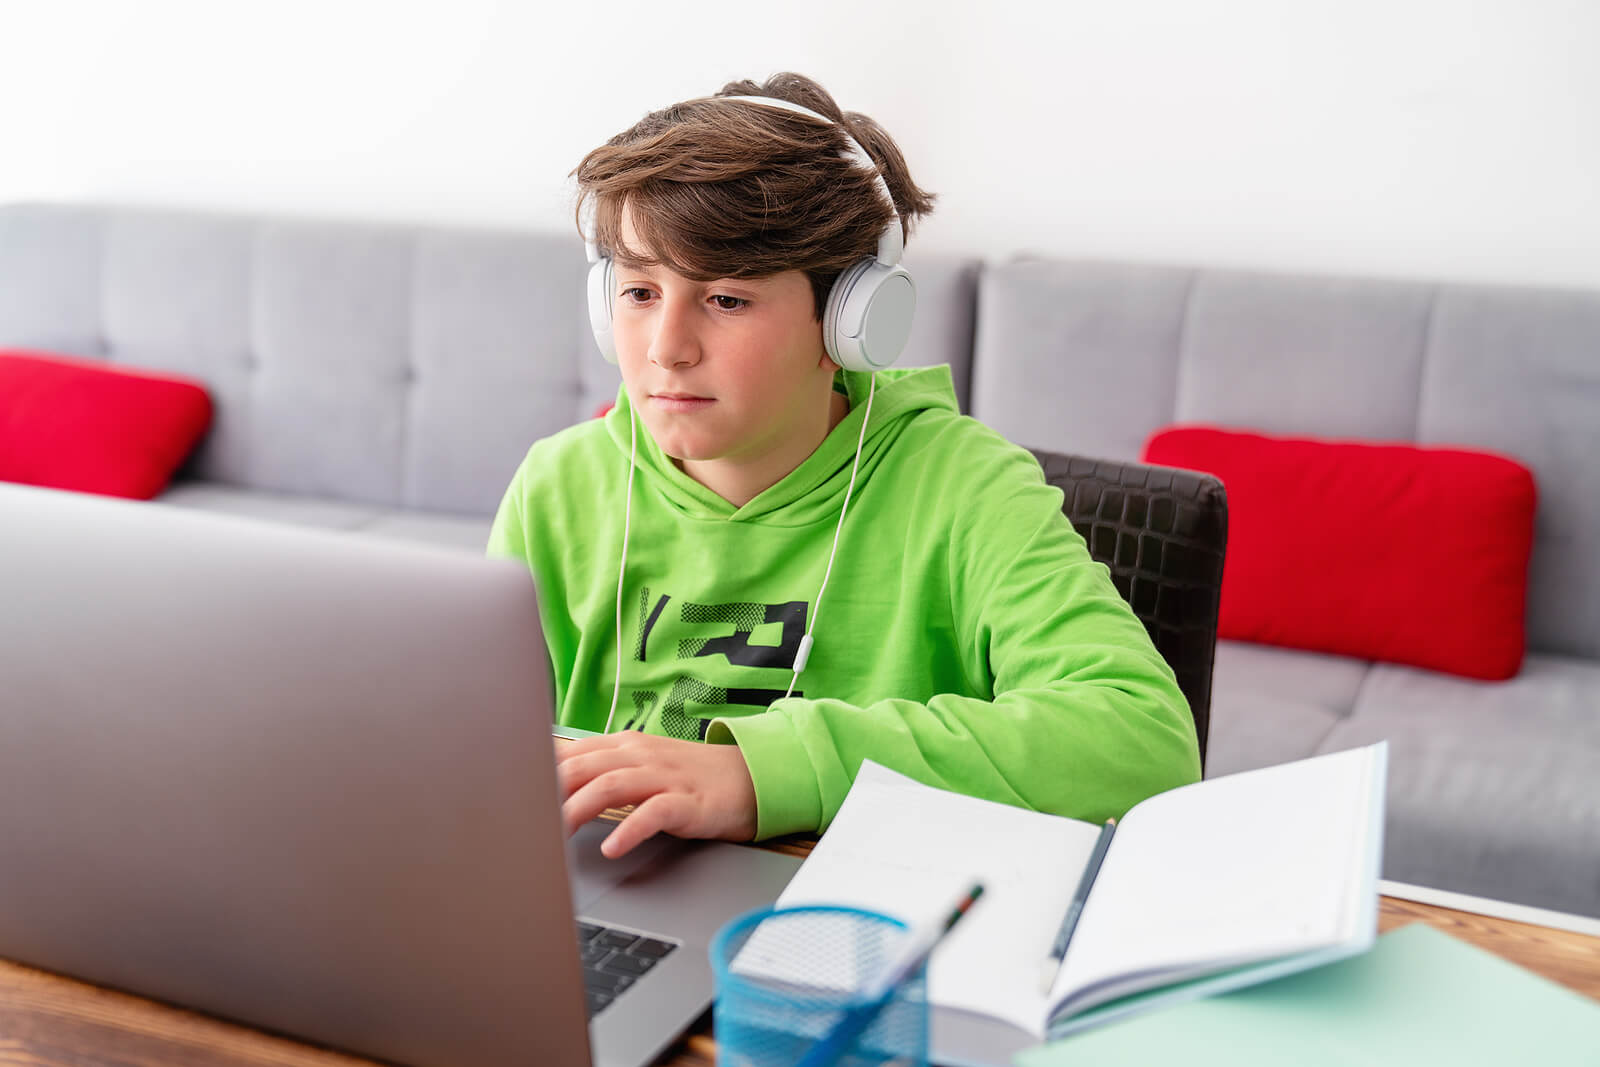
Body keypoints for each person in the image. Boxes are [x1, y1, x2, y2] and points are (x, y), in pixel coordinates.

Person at [488, 72, 1200, 859]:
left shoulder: (964, 488)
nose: (665, 348)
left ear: (851, 320)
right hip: (608, 888)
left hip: (859, 918)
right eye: (639, 291)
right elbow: (468, 747)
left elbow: (1144, 739)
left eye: (726, 299)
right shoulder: (558, 488)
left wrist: (764, 774)